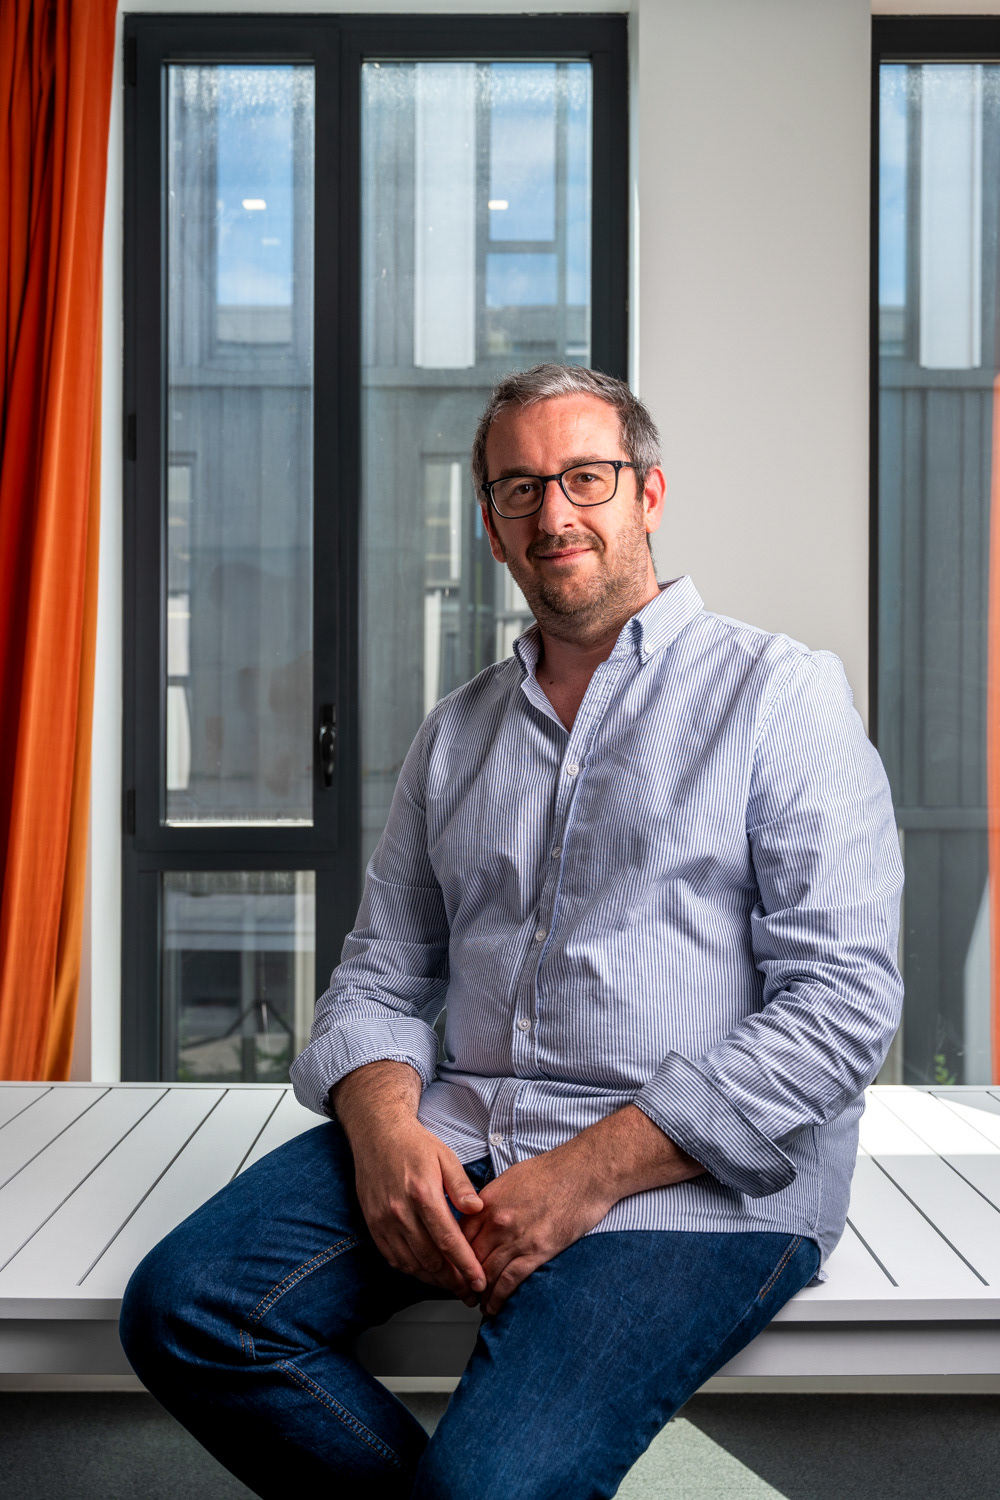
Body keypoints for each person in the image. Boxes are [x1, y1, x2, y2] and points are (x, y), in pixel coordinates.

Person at [119, 364, 904, 1500]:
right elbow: (380, 974)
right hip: (469, 1136)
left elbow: (842, 1006)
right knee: (188, 1309)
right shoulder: (455, 734)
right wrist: (385, 1127)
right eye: (519, 488)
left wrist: (586, 1172)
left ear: (648, 493)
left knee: (483, 1490)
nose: (554, 513)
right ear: (490, 526)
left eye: (586, 477)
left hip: (696, 1190)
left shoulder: (781, 695)